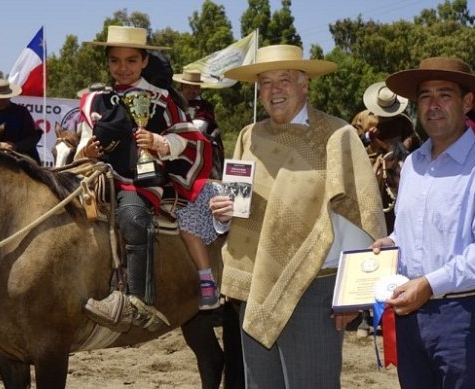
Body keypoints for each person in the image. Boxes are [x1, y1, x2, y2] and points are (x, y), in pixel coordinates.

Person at [209, 44, 386, 388]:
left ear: (305, 84)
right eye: (265, 82)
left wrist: (354, 296)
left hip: (314, 291)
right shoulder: (249, 135)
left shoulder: (337, 137)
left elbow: (362, 217)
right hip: (254, 288)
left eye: (284, 80)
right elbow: (238, 208)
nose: (274, 90)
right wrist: (223, 215)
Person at [371, 56, 475, 389]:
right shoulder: (413, 166)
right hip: (410, 315)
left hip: (463, 317)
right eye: (425, 95)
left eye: (445, 94)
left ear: (467, 103)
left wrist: (429, 284)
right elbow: (411, 231)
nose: (433, 104)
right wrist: (391, 243)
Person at [77, 26, 213, 329]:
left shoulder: (162, 100)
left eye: (131, 61)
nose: (122, 68)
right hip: (94, 177)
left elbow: (186, 138)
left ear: (144, 63)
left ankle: (139, 302)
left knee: (134, 218)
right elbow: (82, 145)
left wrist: (159, 143)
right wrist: (85, 151)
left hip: (136, 180)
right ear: (108, 62)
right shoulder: (94, 100)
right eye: (115, 61)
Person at [173, 69, 225, 179]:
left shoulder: (205, 106)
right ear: (182, 87)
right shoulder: (174, 103)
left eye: (195, 87)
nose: (192, 91)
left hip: (203, 148)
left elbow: (199, 127)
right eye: (188, 87)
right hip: (176, 146)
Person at [361, 81, 420, 156]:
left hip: (397, 164)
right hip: (369, 163)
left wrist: (404, 146)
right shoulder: (364, 117)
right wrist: (368, 136)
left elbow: (414, 142)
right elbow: (353, 141)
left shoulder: (403, 120)